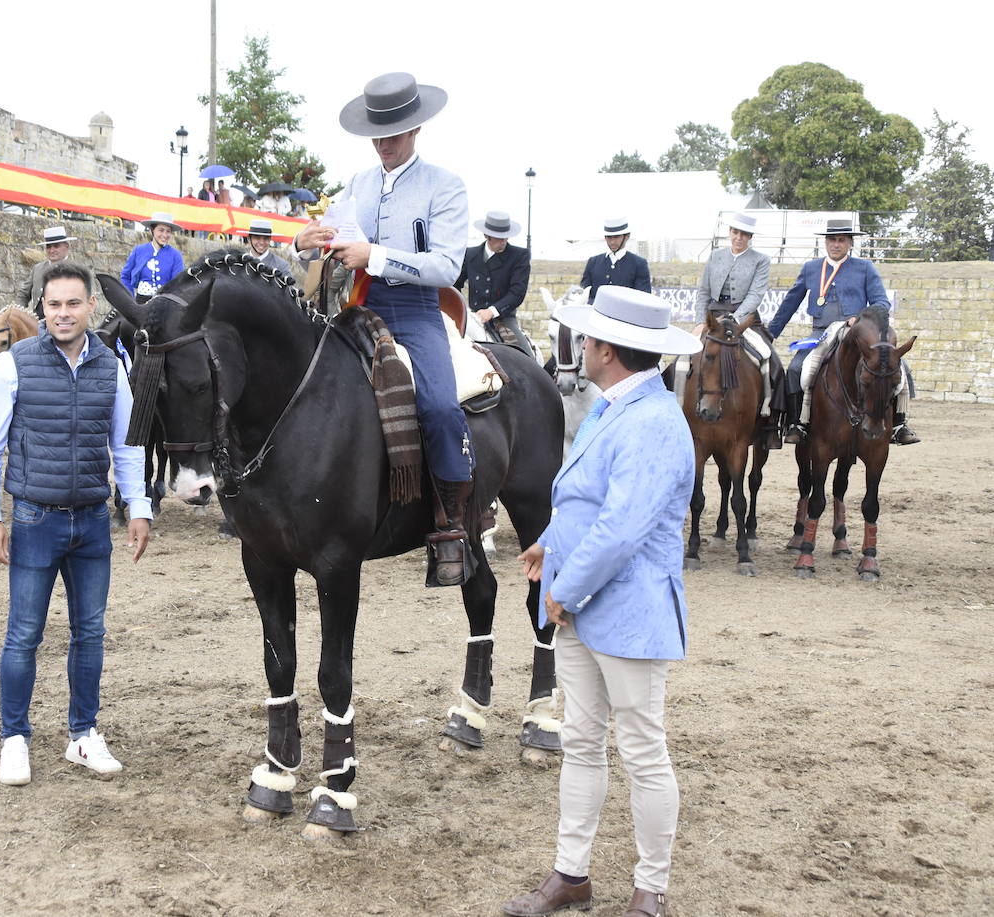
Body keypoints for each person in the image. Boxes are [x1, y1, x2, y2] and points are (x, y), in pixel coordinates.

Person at [503, 286, 699, 917]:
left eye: (587, 340)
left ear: (607, 350)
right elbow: (584, 499)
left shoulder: (654, 422)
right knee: (584, 741)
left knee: (643, 749)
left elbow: (622, 528)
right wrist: (547, 541)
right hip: (585, 601)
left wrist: (564, 589)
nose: (580, 347)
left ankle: (651, 889)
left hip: (626, 606)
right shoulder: (614, 406)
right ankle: (571, 874)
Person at [0, 261, 152, 786]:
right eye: (54, 304)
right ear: (42, 308)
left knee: (90, 632)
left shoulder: (110, 366)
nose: (64, 313)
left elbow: (125, 443)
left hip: (93, 519)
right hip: (34, 517)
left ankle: (83, 734)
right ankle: (14, 738)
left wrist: (137, 504)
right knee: (23, 634)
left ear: (91, 306)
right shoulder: (14, 364)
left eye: (74, 303)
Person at [293, 71, 474, 587]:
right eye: (377, 134)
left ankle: (450, 522)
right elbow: (330, 247)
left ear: (415, 130)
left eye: (393, 134)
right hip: (356, 305)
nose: (384, 144)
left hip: (416, 310)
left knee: (439, 405)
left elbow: (446, 267)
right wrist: (304, 243)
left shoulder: (445, 185)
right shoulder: (357, 185)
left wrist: (376, 255)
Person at [767, 219, 919, 445]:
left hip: (854, 334)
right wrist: (771, 334)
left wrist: (859, 318)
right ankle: (797, 424)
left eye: (841, 240)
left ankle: (899, 424)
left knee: (900, 367)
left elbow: (881, 303)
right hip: (821, 333)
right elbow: (790, 302)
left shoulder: (864, 267)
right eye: (832, 240)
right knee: (796, 369)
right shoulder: (811, 268)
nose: (836, 244)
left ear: (850, 243)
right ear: (825, 242)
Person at [692, 212, 785, 448]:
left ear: (750, 236)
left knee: (773, 361)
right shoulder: (715, 256)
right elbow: (703, 292)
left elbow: (755, 295)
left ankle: (770, 422)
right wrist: (700, 321)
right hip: (712, 319)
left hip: (745, 321)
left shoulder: (760, 260)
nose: (739, 238)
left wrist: (735, 319)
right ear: (730, 233)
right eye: (735, 232)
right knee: (681, 361)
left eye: (744, 234)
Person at [455, 209, 534, 357]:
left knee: (526, 358)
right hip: (473, 316)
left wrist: (491, 311)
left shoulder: (519, 256)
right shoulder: (470, 254)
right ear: (486, 236)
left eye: (505, 237)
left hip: (503, 318)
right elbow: (455, 284)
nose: (503, 242)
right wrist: (459, 309)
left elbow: (517, 292)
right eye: (499, 238)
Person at [580, 217, 652, 305]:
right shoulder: (593, 262)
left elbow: (643, 298)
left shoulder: (639, 264)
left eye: (617, 237)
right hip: (596, 314)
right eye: (609, 238)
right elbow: (584, 291)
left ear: (627, 236)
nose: (612, 242)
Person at [119, 212, 185, 303]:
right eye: (161, 230)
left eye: (168, 231)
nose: (165, 235)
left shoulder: (176, 255)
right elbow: (125, 277)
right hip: (140, 303)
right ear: (152, 230)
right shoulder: (139, 250)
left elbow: (178, 284)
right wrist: (131, 300)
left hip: (164, 305)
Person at [20, 226, 79, 313]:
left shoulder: (76, 271)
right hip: (37, 321)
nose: (51, 250)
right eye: (48, 247)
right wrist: (19, 311)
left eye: (56, 246)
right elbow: (23, 294)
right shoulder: (38, 269)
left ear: (66, 246)